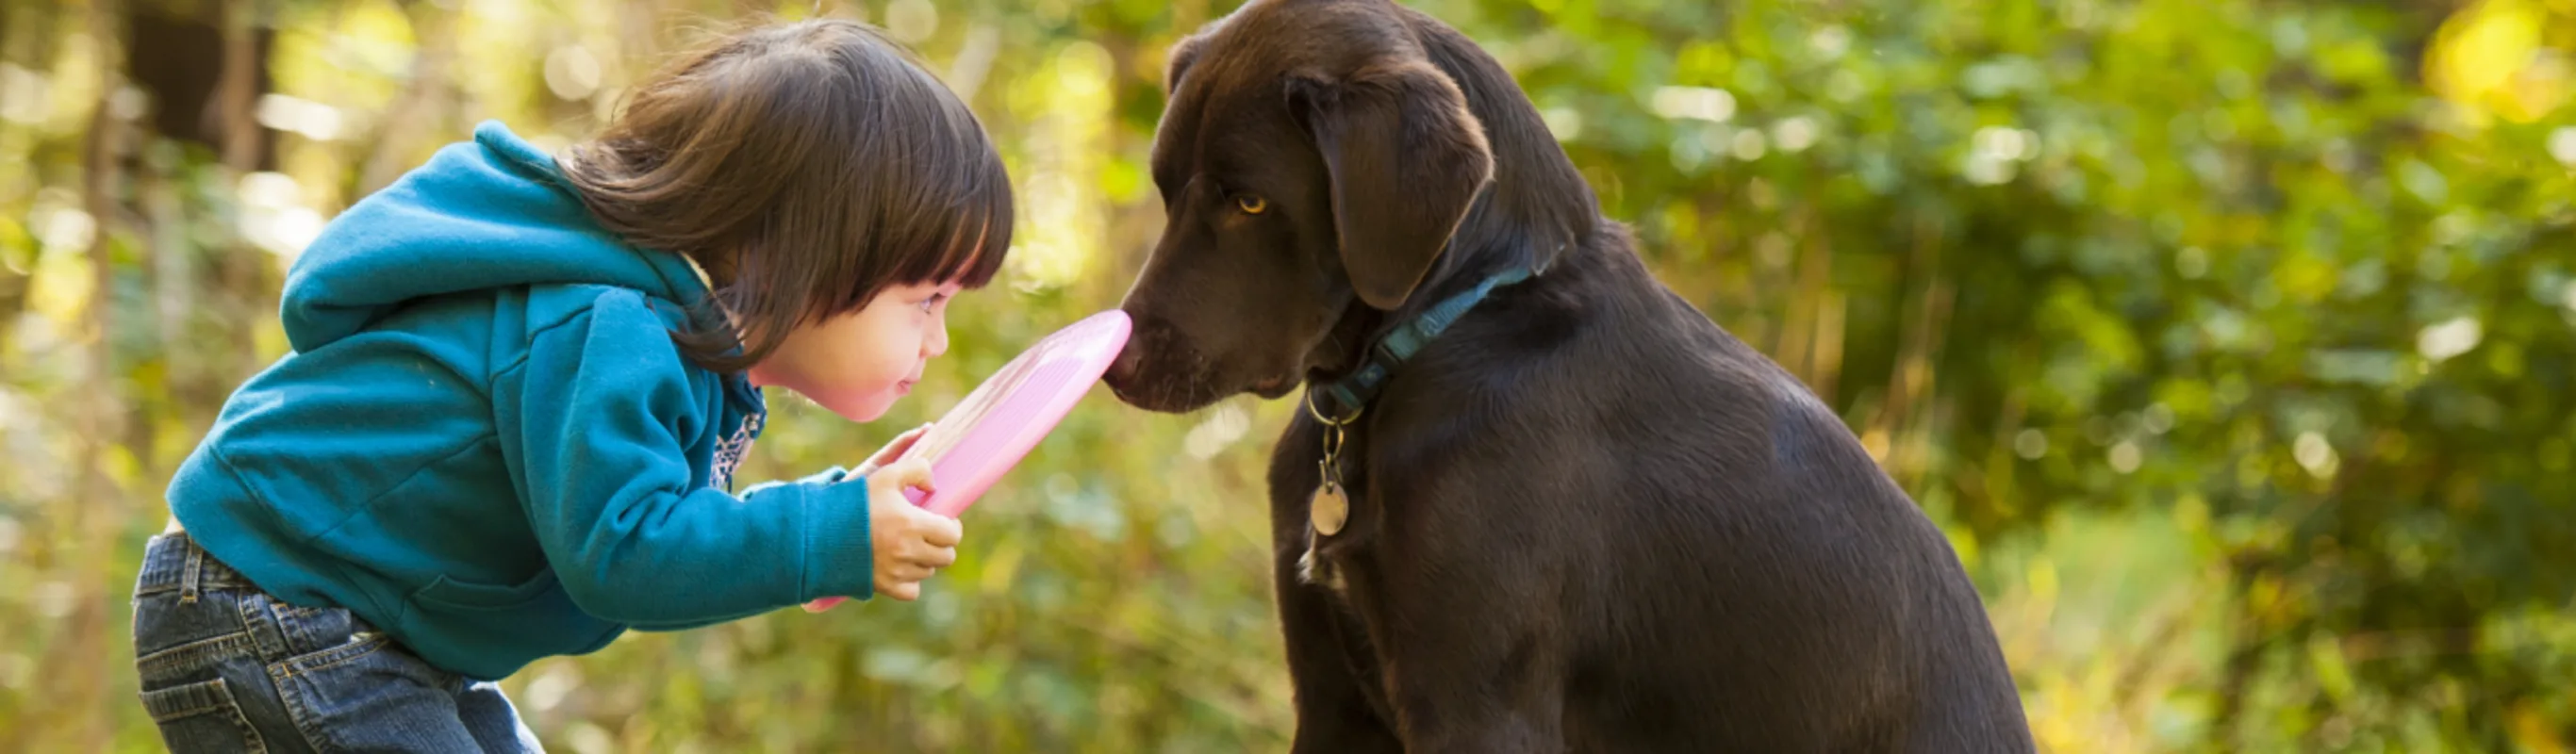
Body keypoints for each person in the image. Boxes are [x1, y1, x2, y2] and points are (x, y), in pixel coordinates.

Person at [127, 18, 1005, 751]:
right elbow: (626, 553)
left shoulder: (670, 337)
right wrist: (831, 533)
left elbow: (655, 518)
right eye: (926, 299)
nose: (937, 341)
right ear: (800, 255)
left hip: (356, 624)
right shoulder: (608, 324)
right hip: (275, 608)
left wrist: (839, 506)